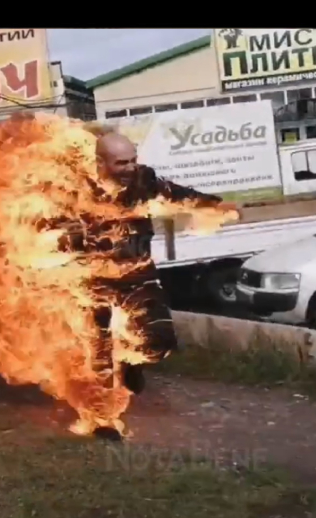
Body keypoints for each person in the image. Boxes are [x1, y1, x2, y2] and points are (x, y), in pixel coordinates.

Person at [64, 129, 237, 396]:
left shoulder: (143, 179)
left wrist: (214, 205)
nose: (130, 167)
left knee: (157, 338)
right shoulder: (79, 189)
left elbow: (176, 194)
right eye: (121, 163)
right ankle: (102, 406)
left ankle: (133, 365)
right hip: (94, 279)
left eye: (133, 159)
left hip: (137, 271)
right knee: (99, 346)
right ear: (100, 163)